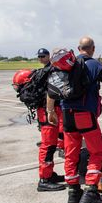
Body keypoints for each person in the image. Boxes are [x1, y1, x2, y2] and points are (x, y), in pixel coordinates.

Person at [47, 36, 102, 203]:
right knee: (97, 152)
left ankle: (73, 191)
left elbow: (51, 91)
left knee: (71, 154)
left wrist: (49, 111)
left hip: (66, 114)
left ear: (78, 49)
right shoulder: (94, 64)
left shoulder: (66, 65)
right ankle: (91, 190)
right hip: (85, 114)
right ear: (92, 48)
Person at [35, 48, 66, 192]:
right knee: (47, 147)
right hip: (47, 112)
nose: (41, 58)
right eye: (39, 56)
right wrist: (50, 111)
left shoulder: (45, 71)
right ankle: (44, 179)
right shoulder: (49, 72)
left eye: (43, 56)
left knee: (52, 144)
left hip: (47, 111)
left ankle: (49, 174)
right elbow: (50, 93)